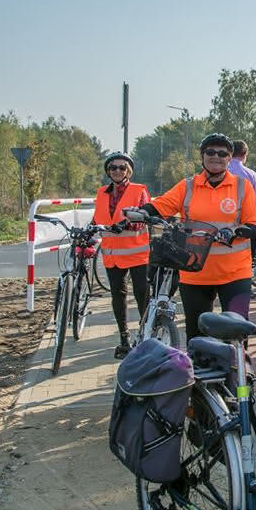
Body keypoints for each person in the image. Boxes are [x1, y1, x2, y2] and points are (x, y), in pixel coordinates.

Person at [134, 133, 256, 340]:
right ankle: (199, 372)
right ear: (202, 156)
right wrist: (141, 211)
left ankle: (240, 370)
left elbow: (254, 224)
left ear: (230, 158)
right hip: (195, 273)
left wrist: (235, 232)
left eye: (222, 153)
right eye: (210, 152)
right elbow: (161, 205)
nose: (216, 157)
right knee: (197, 334)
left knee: (238, 332)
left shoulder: (241, 186)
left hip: (235, 274)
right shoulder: (188, 186)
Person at [93, 152, 150, 359]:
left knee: (142, 294)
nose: (117, 171)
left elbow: (145, 216)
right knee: (118, 296)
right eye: (113, 168)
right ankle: (124, 338)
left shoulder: (139, 190)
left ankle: (145, 336)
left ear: (128, 171)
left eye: (122, 168)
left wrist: (128, 223)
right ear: (108, 171)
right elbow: (97, 218)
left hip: (137, 254)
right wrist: (87, 232)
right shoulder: (101, 193)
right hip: (112, 255)